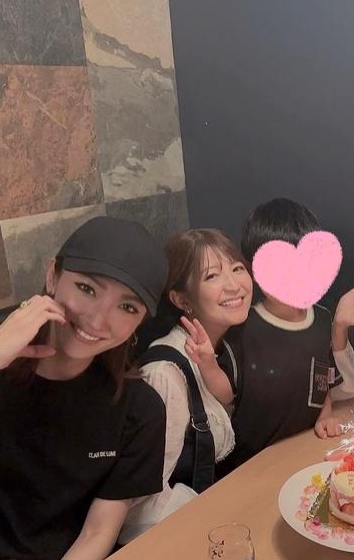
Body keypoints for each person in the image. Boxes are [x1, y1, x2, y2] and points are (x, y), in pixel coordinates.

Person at [0, 216, 168, 560]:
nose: (98, 320)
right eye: (87, 288)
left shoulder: (139, 410)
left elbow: (97, 532)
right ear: (52, 276)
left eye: (127, 307)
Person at [201, 198, 354, 474]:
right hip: (250, 465)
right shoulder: (243, 328)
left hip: (303, 454)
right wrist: (207, 363)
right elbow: (225, 396)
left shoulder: (321, 318)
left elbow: (326, 383)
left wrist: (325, 414)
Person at [119, 228, 253, 543]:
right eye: (212, 276)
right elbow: (140, 504)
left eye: (237, 268)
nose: (233, 285)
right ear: (181, 299)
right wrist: (217, 519)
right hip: (173, 536)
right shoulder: (165, 375)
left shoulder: (227, 348)